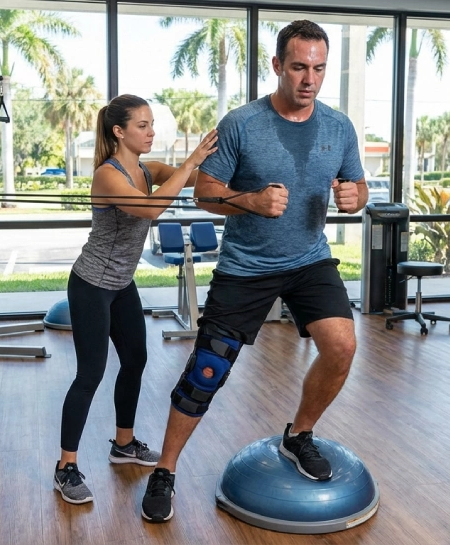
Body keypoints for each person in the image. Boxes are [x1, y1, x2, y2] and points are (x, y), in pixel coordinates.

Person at [140, 20, 368, 523]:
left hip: (310, 259)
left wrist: (356, 197)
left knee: (342, 345)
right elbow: (205, 192)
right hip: (247, 267)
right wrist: (251, 201)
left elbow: (357, 185)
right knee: (207, 369)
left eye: (319, 68)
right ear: (277, 66)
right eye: (299, 67)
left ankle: (299, 434)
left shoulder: (338, 127)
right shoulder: (242, 122)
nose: (309, 78)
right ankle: (166, 469)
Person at [54, 94, 218, 505]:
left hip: (121, 284)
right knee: (90, 374)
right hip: (92, 284)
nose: (150, 131)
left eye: (151, 124)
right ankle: (65, 466)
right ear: (119, 131)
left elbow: (200, 181)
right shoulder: (108, 176)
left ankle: (123, 443)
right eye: (142, 125)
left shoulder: (147, 169)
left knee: (136, 360)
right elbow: (149, 211)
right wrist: (190, 161)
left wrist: (240, 178)